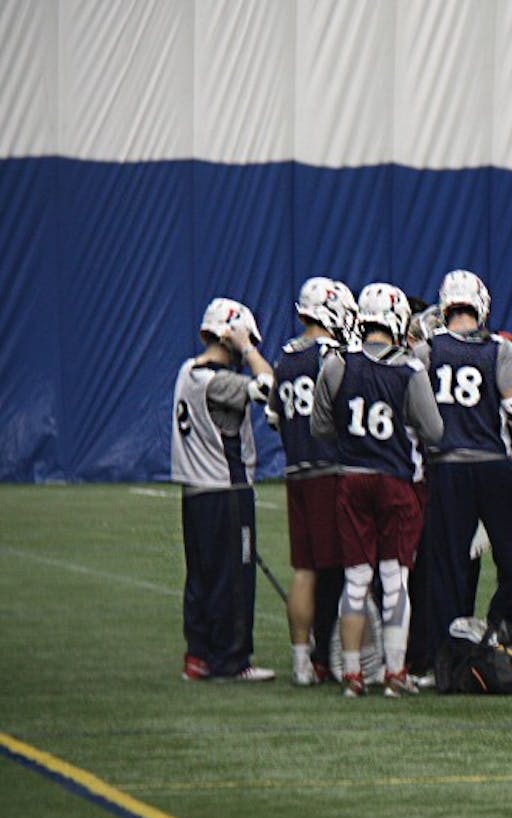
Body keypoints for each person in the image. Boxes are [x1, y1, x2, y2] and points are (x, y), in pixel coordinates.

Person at [416, 270, 512, 664]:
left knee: (445, 565)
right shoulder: (499, 349)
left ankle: (441, 655)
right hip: (493, 462)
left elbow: (414, 411)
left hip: (446, 465)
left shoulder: (427, 351)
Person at [312, 282, 444, 697]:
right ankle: (394, 672)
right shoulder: (409, 369)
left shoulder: (336, 364)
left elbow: (320, 427)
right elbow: (435, 430)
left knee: (355, 580)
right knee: (395, 579)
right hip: (396, 481)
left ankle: (352, 675)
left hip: (352, 478)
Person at [172, 297, 277, 682]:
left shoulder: (187, 371)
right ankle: (231, 660)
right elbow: (270, 387)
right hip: (225, 490)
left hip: (195, 491)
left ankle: (198, 655)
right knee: (234, 576)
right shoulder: (221, 382)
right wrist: (248, 348)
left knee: (200, 575)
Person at [270, 277, 356, 685]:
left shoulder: (285, 359)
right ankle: (332, 655)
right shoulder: (332, 356)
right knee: (337, 569)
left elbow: (274, 417)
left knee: (304, 568)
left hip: (295, 470)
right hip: (329, 469)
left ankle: (303, 662)